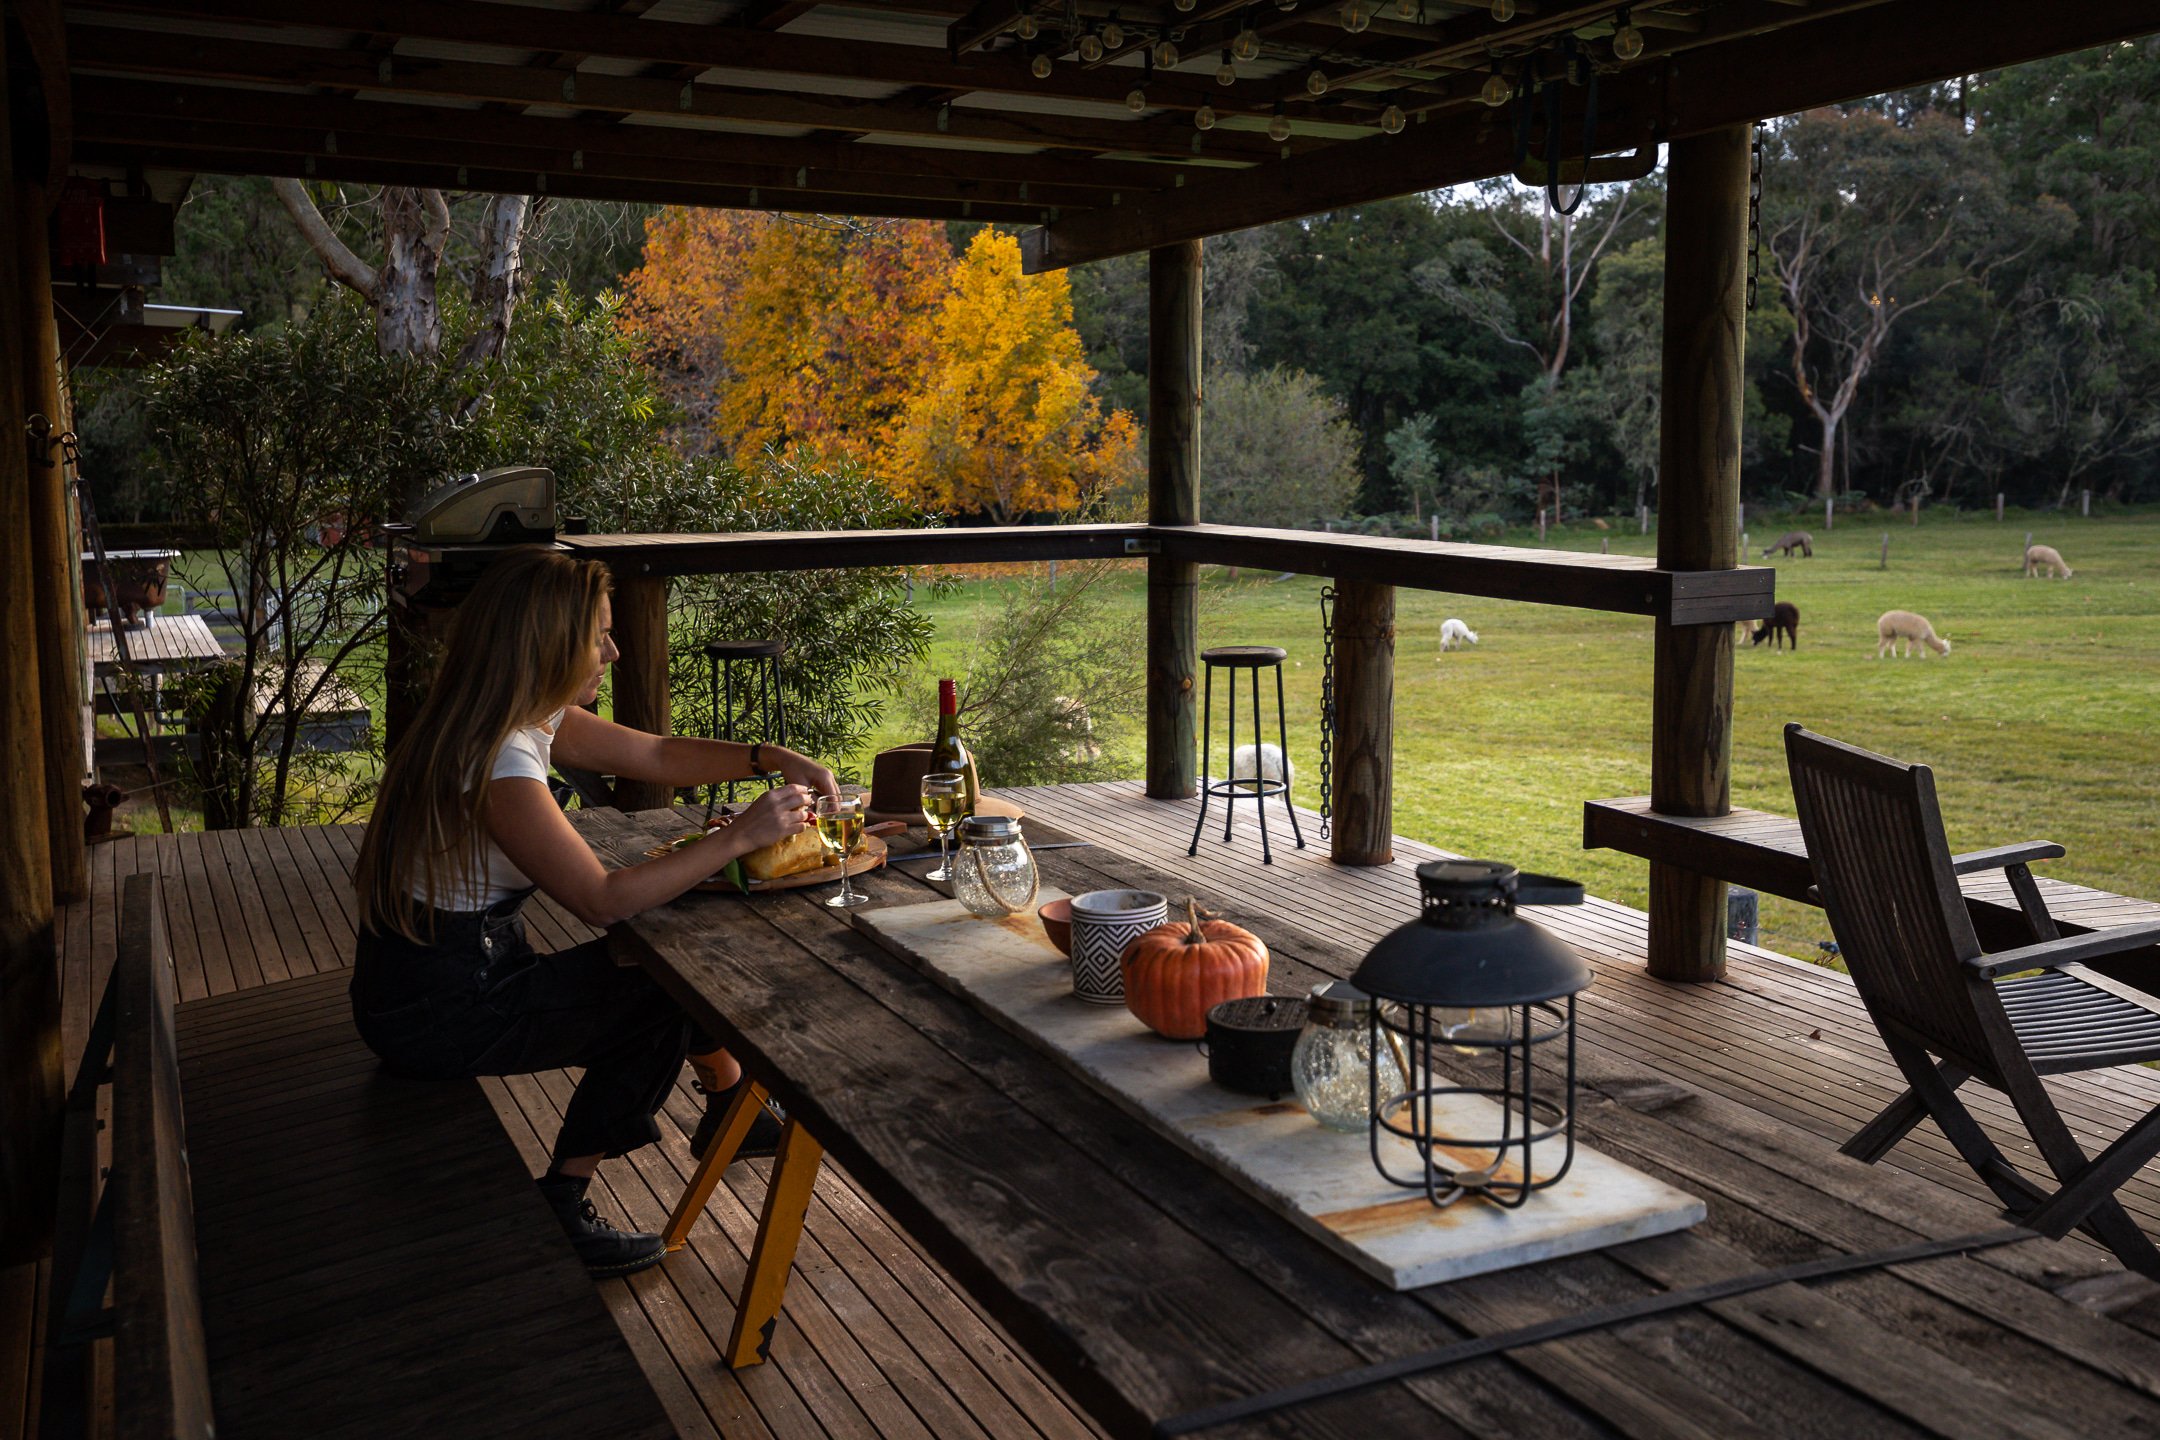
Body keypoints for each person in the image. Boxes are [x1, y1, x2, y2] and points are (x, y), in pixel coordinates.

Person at [350, 546, 837, 1278]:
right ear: (547, 642)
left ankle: (730, 1107)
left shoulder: (514, 714)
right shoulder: (499, 761)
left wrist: (771, 756)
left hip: (429, 981)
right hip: (438, 1010)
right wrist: (740, 836)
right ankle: (566, 1200)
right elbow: (601, 902)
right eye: (599, 634)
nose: (613, 649)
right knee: (661, 981)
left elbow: (662, 754)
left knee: (663, 948)